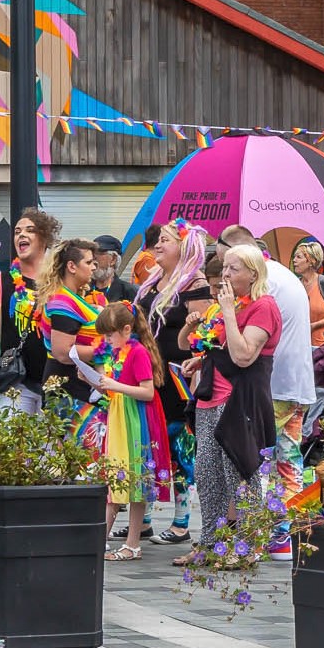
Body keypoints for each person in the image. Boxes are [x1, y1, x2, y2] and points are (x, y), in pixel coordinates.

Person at [218, 225, 314, 560]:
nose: (225, 272)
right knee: (287, 460)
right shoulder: (281, 275)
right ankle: (284, 535)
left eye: (229, 264)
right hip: (293, 380)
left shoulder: (263, 287)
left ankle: (260, 536)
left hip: (270, 385)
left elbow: (246, 349)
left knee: (257, 460)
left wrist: (227, 312)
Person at [180, 244, 280, 543]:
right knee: (208, 475)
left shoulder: (263, 306)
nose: (225, 275)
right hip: (210, 398)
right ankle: (210, 543)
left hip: (238, 402)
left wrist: (227, 310)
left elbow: (244, 356)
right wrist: (202, 359)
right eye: (224, 268)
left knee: (238, 473)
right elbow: (218, 347)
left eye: (233, 269)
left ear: (253, 273)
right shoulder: (231, 305)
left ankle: (246, 545)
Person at [134, 221, 212, 544]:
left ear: (183, 247)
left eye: (165, 241)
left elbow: (205, 335)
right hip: (152, 373)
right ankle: (145, 518)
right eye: (159, 240)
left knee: (178, 446)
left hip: (179, 378)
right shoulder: (154, 281)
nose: (158, 246)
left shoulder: (195, 283)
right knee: (150, 444)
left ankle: (181, 521)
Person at [90, 302, 172, 563]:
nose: (106, 340)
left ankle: (132, 543)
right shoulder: (118, 351)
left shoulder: (137, 353)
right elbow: (117, 386)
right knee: (114, 477)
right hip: (119, 417)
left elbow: (147, 391)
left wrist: (115, 385)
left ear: (127, 329)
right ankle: (100, 539)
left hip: (137, 421)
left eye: (110, 334)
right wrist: (100, 384)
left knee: (137, 480)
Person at [0, 208, 58, 413]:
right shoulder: (1, 280)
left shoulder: (59, 283)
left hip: (55, 384)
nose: (21, 235)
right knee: (14, 443)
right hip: (15, 382)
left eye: (29, 230)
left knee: (52, 445)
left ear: (44, 239)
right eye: (17, 232)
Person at [44, 238, 108, 404]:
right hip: (67, 389)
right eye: (89, 262)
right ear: (72, 266)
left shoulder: (72, 297)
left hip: (78, 383)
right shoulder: (63, 302)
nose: (94, 267)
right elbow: (63, 352)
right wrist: (107, 349)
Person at [291, 240, 324, 347]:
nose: (294, 260)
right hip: (299, 344)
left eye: (298, 257)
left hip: (322, 344)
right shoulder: (295, 284)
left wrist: (315, 325)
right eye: (295, 257)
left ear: (311, 261)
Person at [91, 235, 137, 304]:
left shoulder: (127, 291)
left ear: (113, 259)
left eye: (99, 253)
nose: (93, 258)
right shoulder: (83, 287)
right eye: (92, 253)